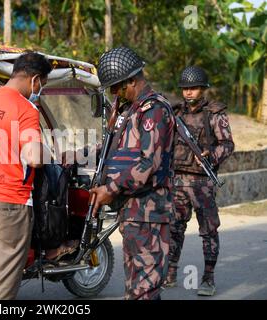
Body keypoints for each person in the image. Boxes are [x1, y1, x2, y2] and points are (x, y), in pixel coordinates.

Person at [91, 47, 176, 300]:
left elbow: (148, 162)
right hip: (132, 211)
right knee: (136, 287)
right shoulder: (129, 110)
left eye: (117, 87)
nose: (114, 93)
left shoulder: (154, 110)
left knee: (144, 289)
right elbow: (114, 149)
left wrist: (111, 189)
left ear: (132, 79)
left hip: (149, 212)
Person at [0, 52, 52, 300]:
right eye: (42, 85)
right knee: (2, 285)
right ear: (35, 79)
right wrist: (49, 151)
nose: (40, 90)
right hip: (10, 202)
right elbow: (34, 158)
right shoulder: (26, 109)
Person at [164, 66, 234, 296]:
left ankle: (208, 279)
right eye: (185, 89)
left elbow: (227, 144)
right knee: (174, 228)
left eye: (193, 88)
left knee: (208, 231)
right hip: (178, 180)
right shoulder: (175, 113)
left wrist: (210, 155)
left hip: (202, 182)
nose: (188, 93)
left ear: (203, 89)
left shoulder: (214, 114)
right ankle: (171, 273)